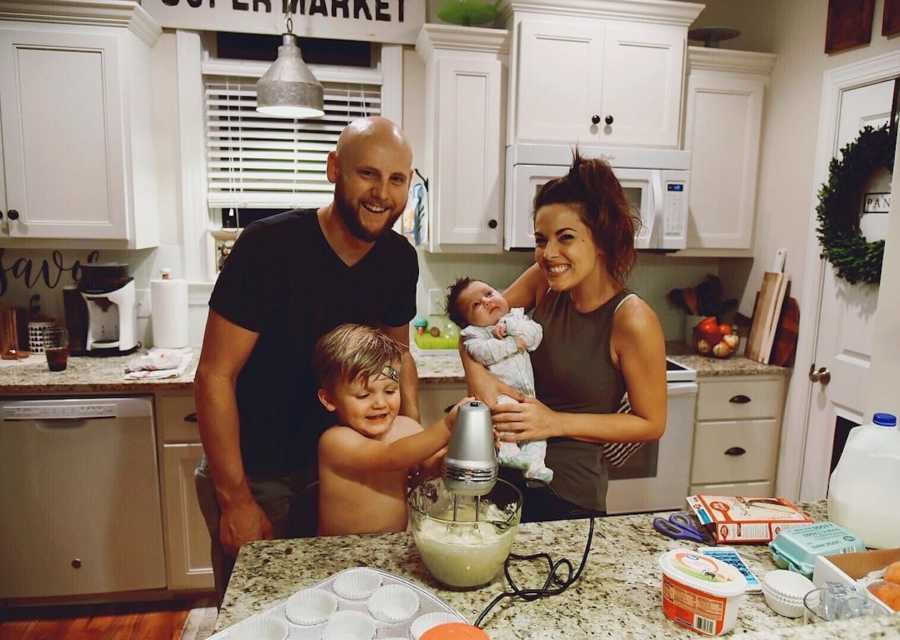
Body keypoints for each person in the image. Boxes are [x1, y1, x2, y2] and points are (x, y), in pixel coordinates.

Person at [194, 116, 420, 602]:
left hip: (344, 475)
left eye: (397, 179)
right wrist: (235, 499)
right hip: (262, 476)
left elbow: (398, 355)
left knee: (343, 612)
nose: (382, 193)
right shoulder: (266, 247)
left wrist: (413, 445)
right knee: (261, 614)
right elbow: (216, 374)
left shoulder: (399, 258)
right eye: (368, 174)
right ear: (334, 169)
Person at [460, 151, 667, 522]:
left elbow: (650, 423)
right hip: (503, 473)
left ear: (601, 239)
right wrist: (478, 377)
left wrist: (554, 422)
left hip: (568, 494)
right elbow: (475, 325)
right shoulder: (545, 284)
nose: (548, 253)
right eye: (541, 239)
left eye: (565, 238)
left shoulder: (632, 319)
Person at [313, 324, 462, 536]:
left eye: (390, 390)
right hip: (340, 551)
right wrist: (447, 426)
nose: (380, 403)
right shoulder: (335, 442)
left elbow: (433, 469)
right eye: (364, 395)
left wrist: (465, 446)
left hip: (389, 546)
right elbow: (390, 456)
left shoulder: (407, 428)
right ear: (329, 399)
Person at [445, 278, 551, 483]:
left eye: (489, 293)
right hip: (501, 396)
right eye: (475, 305)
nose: (486, 301)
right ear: (467, 320)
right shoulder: (473, 335)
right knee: (506, 428)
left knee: (537, 435)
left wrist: (509, 325)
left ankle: (535, 467)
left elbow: (534, 335)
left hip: (528, 395)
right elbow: (484, 353)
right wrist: (513, 343)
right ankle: (508, 456)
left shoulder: (517, 317)